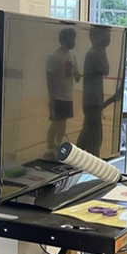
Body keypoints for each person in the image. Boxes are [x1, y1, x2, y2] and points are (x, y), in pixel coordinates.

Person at [45, 27, 81, 159]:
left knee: (63, 122)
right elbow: (49, 79)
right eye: (72, 39)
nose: (74, 42)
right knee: (55, 122)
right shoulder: (54, 56)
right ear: (64, 40)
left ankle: (58, 144)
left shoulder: (73, 55)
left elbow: (76, 74)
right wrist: (51, 98)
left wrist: (78, 75)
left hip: (68, 96)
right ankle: (49, 148)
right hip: (57, 96)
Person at [77, 26, 111, 156]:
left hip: (93, 100)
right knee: (94, 139)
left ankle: (74, 160)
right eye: (104, 36)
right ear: (94, 37)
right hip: (92, 101)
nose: (107, 39)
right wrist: (102, 48)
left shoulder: (96, 52)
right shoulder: (94, 54)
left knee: (88, 133)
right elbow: (106, 69)